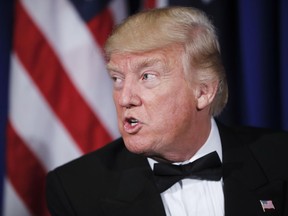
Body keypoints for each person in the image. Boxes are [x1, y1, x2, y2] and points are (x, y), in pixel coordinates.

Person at [46, 6, 288, 216]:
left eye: (147, 76)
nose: (125, 98)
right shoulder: (77, 188)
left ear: (203, 91)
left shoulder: (279, 160)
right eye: (117, 78)